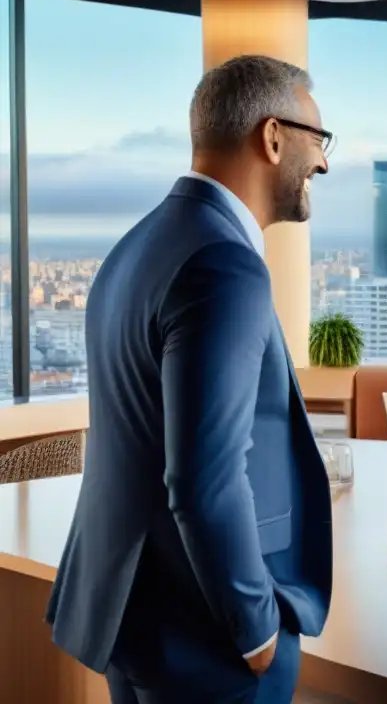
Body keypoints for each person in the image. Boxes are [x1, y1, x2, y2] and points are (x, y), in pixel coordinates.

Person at [45, 55, 335, 703]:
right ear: (273, 136)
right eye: (318, 140)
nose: (322, 162)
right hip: (205, 631)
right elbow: (202, 480)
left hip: (135, 613)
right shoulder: (224, 265)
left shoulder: (136, 247)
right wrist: (256, 630)